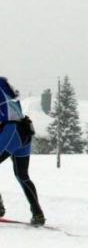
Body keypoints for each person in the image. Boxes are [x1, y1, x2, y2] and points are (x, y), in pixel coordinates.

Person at [0, 76, 45, 225]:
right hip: (23, 131)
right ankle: (38, 214)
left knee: (22, 175)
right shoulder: (3, 83)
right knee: (22, 175)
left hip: (11, 131)